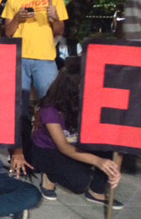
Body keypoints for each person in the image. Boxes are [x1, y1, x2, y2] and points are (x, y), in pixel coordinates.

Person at [32, 58, 123, 209]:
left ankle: (96, 192)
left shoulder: (92, 100)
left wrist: (114, 166)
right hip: (49, 150)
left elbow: (105, 135)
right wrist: (97, 161)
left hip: (76, 144)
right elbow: (63, 147)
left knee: (111, 149)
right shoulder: (50, 107)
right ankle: (49, 175)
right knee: (78, 182)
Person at [1, 0, 68, 118]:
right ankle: (22, 140)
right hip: (19, 58)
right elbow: (8, 33)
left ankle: (46, 140)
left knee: (49, 104)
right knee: (19, 106)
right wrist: (17, 18)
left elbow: (59, 31)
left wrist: (56, 17)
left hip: (45, 57)